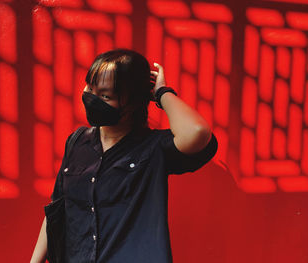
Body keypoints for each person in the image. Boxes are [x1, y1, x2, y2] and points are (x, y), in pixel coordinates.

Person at [30, 49, 218, 263]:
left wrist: (162, 92)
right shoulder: (77, 141)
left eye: (105, 96)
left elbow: (197, 132)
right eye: (90, 89)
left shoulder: (154, 148)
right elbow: (57, 209)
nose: (92, 98)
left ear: (133, 102)